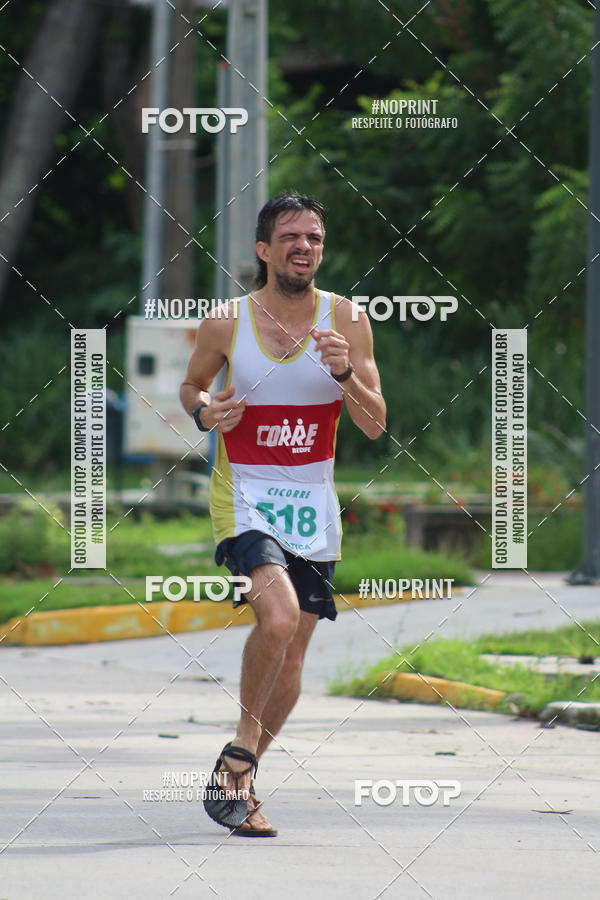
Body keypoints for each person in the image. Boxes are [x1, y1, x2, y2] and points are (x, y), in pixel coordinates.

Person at [180, 192, 386, 836]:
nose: (305, 246)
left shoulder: (347, 321)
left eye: (315, 238)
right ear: (265, 250)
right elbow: (192, 388)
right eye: (292, 237)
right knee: (279, 614)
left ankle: (239, 780)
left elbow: (376, 425)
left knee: (293, 661)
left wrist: (346, 373)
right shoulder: (226, 322)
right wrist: (205, 413)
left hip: (314, 507)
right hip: (245, 498)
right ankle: (242, 747)